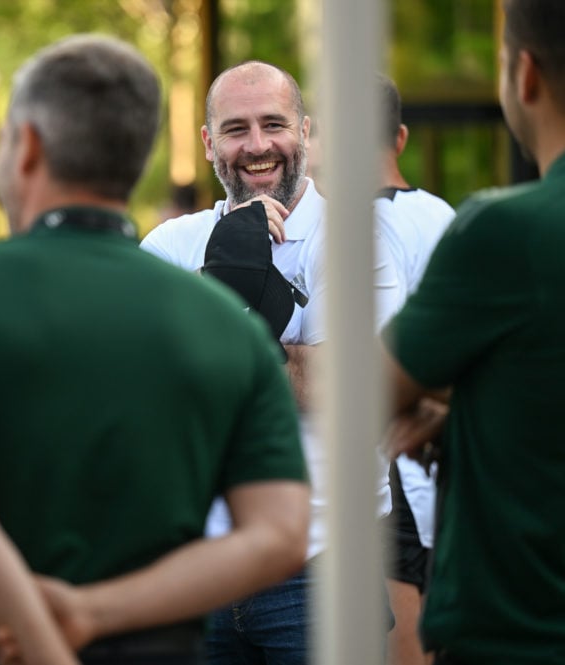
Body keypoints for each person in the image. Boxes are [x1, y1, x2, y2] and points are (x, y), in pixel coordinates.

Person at [0, 34, 311, 665]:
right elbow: (279, 534)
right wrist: (93, 614)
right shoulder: (225, 323)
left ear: (25, 147)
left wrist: (47, 640)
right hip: (155, 643)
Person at [140, 60, 404, 664]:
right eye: (235, 129)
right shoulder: (169, 247)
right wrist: (229, 260)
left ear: (305, 131)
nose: (258, 147)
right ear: (209, 143)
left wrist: (203, 346)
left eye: (274, 124)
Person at [382, 1, 565, 663]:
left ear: (525, 75)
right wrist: (478, 416)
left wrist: (450, 405)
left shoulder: (508, 231)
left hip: (532, 637)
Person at [372, 76, 454, 665]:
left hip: (391, 461)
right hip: (438, 461)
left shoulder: (357, 229)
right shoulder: (446, 217)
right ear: (400, 138)